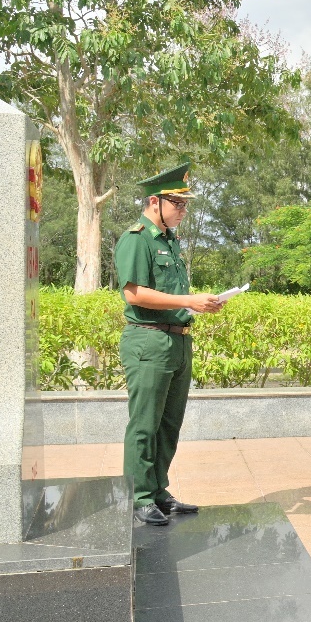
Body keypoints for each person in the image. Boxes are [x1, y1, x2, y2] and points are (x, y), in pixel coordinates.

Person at [115, 163, 222, 526]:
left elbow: (171, 295)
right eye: (178, 203)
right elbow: (134, 294)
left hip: (177, 340)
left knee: (168, 424)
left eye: (185, 204)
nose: (183, 210)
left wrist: (199, 304)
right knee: (145, 423)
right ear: (154, 202)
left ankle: (159, 491)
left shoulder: (169, 242)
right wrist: (188, 300)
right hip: (149, 340)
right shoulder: (136, 239)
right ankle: (140, 497)